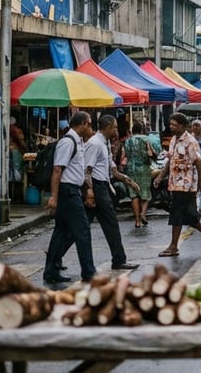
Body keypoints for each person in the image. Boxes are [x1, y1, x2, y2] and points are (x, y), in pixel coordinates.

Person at [44, 112, 96, 285]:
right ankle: (89, 272)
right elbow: (57, 170)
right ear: (82, 124)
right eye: (89, 124)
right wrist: (54, 197)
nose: (90, 128)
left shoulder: (79, 141)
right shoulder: (68, 142)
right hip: (67, 191)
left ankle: (51, 270)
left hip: (72, 190)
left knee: (61, 233)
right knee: (82, 231)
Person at [156, 113, 201, 256]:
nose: (172, 127)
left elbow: (198, 161)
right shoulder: (173, 141)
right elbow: (171, 161)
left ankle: (173, 246)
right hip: (175, 182)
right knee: (189, 214)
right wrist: (160, 176)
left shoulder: (190, 141)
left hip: (186, 184)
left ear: (183, 126)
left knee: (177, 213)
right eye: (171, 124)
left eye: (175, 125)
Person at [84, 114, 138, 271]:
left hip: (103, 185)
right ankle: (119, 259)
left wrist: (125, 179)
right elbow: (87, 169)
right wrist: (90, 192)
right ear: (107, 128)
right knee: (110, 224)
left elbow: (111, 166)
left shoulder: (105, 142)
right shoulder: (95, 143)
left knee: (81, 226)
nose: (116, 130)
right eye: (114, 127)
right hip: (97, 187)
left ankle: (55, 259)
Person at [123, 121, 157, 228]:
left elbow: (126, 155)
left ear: (132, 131)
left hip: (131, 169)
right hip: (144, 168)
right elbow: (153, 154)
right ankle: (143, 214)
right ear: (142, 130)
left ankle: (137, 221)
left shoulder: (128, 141)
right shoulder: (146, 139)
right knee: (145, 192)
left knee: (134, 194)